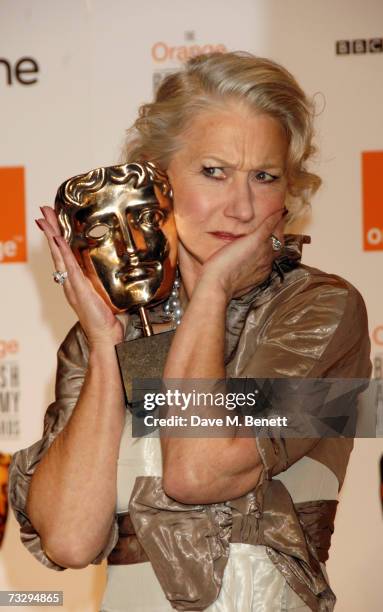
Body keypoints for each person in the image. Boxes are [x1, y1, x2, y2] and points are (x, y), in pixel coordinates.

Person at [9, 52, 371, 611]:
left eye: (264, 177)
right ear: (162, 182)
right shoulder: (106, 332)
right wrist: (107, 349)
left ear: (288, 192)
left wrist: (211, 291)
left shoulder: (319, 309)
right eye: (214, 172)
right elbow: (71, 538)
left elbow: (197, 472)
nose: (242, 206)